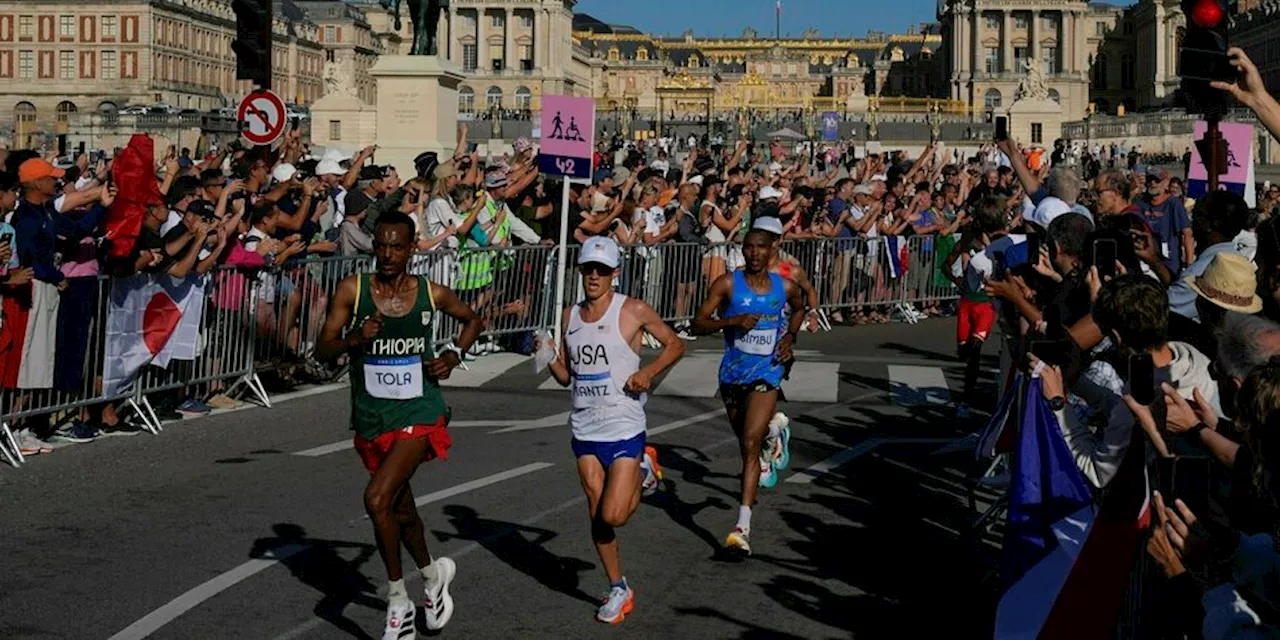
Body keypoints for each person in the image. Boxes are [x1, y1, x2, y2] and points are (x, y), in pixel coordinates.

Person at [315, 211, 484, 639]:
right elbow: (323, 347)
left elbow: (473, 320)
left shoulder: (431, 293)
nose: (388, 254)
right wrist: (355, 339)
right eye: (382, 245)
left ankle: (397, 600)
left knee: (376, 499)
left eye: (397, 246)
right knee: (400, 510)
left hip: (419, 412)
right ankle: (432, 577)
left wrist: (452, 357)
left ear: (412, 249)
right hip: (372, 415)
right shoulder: (354, 291)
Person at [542, 236, 685, 624]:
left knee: (615, 515)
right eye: (588, 269)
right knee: (598, 517)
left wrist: (647, 373)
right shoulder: (570, 315)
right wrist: (543, 354)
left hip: (623, 425)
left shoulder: (632, 310)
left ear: (614, 274)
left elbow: (675, 344)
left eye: (601, 271)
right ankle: (618, 587)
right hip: (585, 426)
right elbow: (565, 376)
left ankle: (642, 469)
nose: (593, 276)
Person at [692, 227, 804, 557]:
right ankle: (775, 432)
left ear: (771, 252)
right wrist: (731, 321)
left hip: (768, 372)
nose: (754, 253)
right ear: (742, 250)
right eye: (749, 247)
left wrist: (789, 338)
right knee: (746, 435)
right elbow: (698, 323)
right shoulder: (727, 284)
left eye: (761, 248)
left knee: (749, 444)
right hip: (733, 373)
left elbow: (800, 307)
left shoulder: (784, 286)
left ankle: (742, 526)